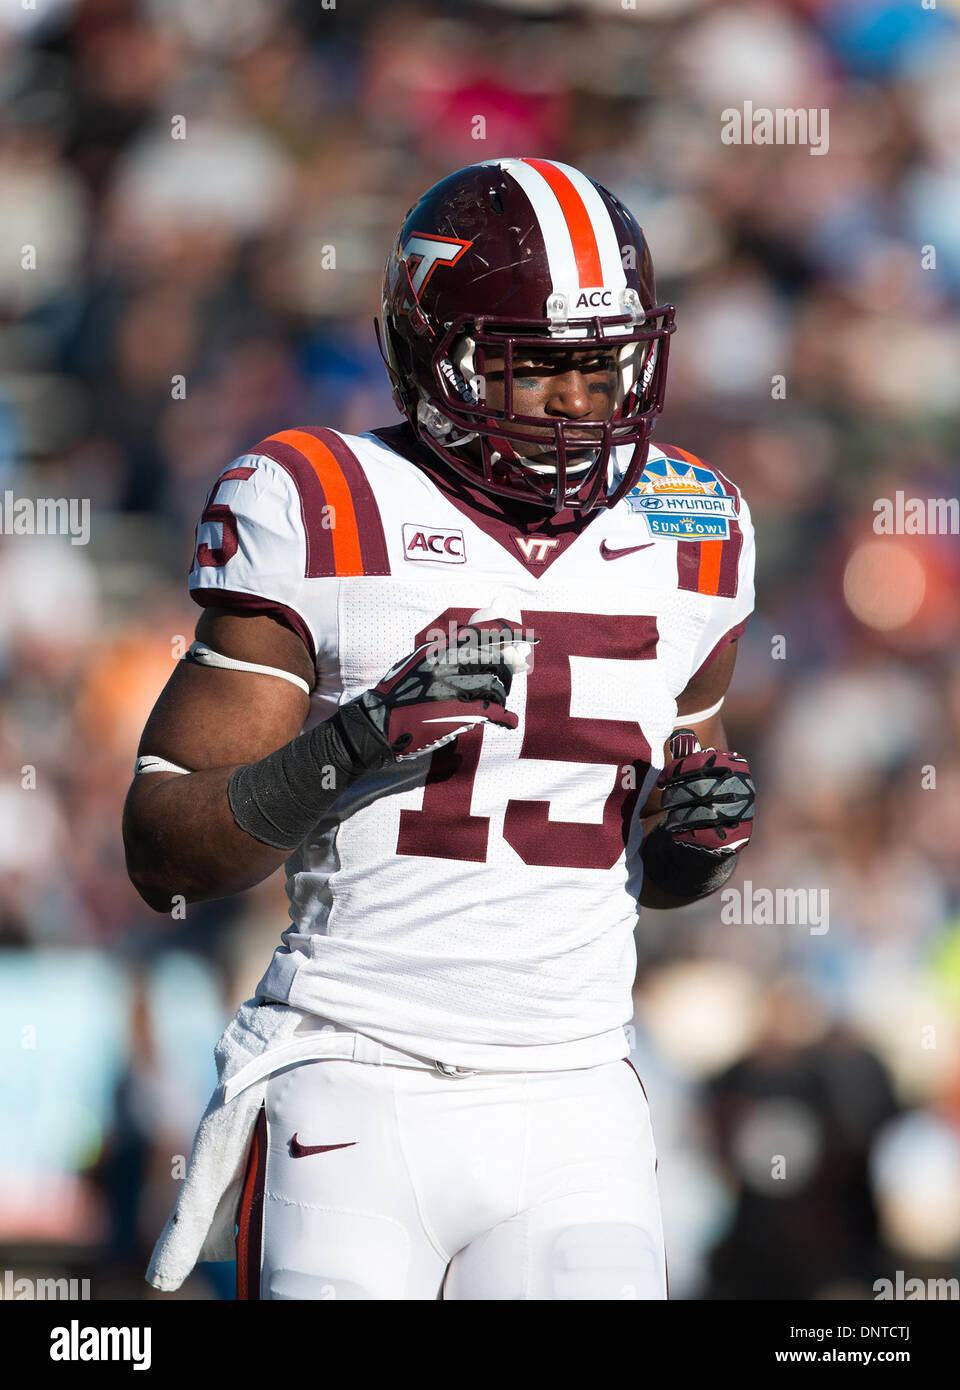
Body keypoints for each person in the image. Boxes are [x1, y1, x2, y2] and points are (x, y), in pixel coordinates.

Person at [124, 157, 756, 1300]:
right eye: (542, 367)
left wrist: (691, 846)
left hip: (576, 1093)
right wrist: (359, 739)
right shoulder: (317, 500)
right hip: (354, 1073)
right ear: (437, 356)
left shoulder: (694, 521)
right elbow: (164, 854)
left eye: (604, 362)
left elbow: (649, 870)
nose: (583, 400)